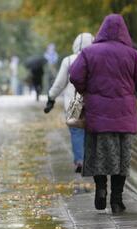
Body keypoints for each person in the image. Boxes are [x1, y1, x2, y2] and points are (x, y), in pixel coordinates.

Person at [70, 14, 137, 214]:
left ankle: (101, 190)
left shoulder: (89, 53)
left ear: (102, 30)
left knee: (98, 156)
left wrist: (86, 90)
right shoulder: (133, 55)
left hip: (97, 116)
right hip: (124, 118)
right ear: (125, 31)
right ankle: (117, 201)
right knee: (121, 160)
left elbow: (75, 75)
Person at [45, 32, 95, 173]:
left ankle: (80, 160)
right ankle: (91, 160)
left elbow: (59, 83)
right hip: (94, 102)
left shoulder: (68, 61)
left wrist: (51, 98)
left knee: (76, 131)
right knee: (92, 132)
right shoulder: (97, 58)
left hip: (74, 103)